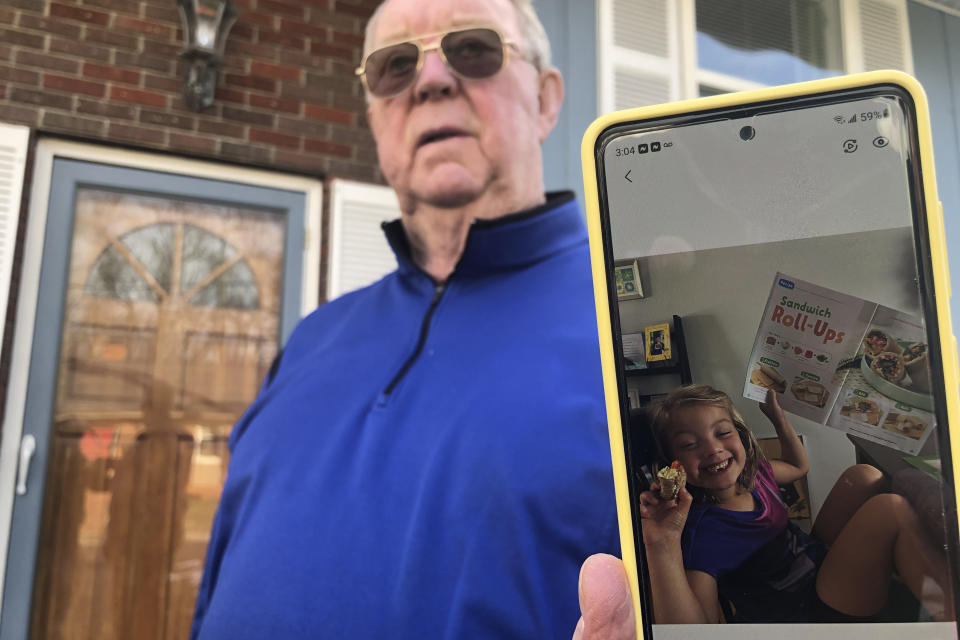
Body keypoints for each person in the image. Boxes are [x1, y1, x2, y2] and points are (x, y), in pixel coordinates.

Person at [189, 0, 619, 637]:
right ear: (374, 118)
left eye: (473, 49)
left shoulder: (629, 322)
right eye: (395, 66)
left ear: (547, 100)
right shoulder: (313, 337)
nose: (431, 79)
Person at [637, 384, 952, 624]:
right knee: (889, 510)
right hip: (805, 612)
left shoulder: (757, 472)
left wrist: (779, 420)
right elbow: (698, 627)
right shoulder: (701, 533)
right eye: (691, 445)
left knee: (864, 474)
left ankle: (907, 558)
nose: (713, 449)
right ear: (672, 464)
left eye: (722, 432)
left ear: (740, 433)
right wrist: (662, 545)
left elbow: (799, 467)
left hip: (808, 560)